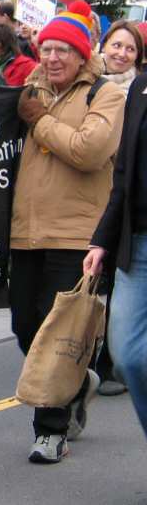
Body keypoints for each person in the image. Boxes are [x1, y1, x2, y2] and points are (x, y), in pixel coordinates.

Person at [10, 0, 126, 464]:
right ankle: (79, 383)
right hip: (26, 232)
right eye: (47, 49)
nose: (52, 58)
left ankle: (50, 431)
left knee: (55, 337)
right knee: (25, 327)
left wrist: (40, 120)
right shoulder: (29, 88)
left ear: (82, 56)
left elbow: (90, 151)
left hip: (77, 234)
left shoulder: (106, 94)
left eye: (63, 50)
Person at [83, 71, 147, 439]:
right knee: (128, 358)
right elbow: (123, 173)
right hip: (137, 246)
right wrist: (102, 240)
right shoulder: (140, 87)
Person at [100, 20, 144, 95]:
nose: (122, 54)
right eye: (117, 45)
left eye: (130, 49)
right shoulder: (81, 73)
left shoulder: (138, 93)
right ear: (104, 46)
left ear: (137, 55)